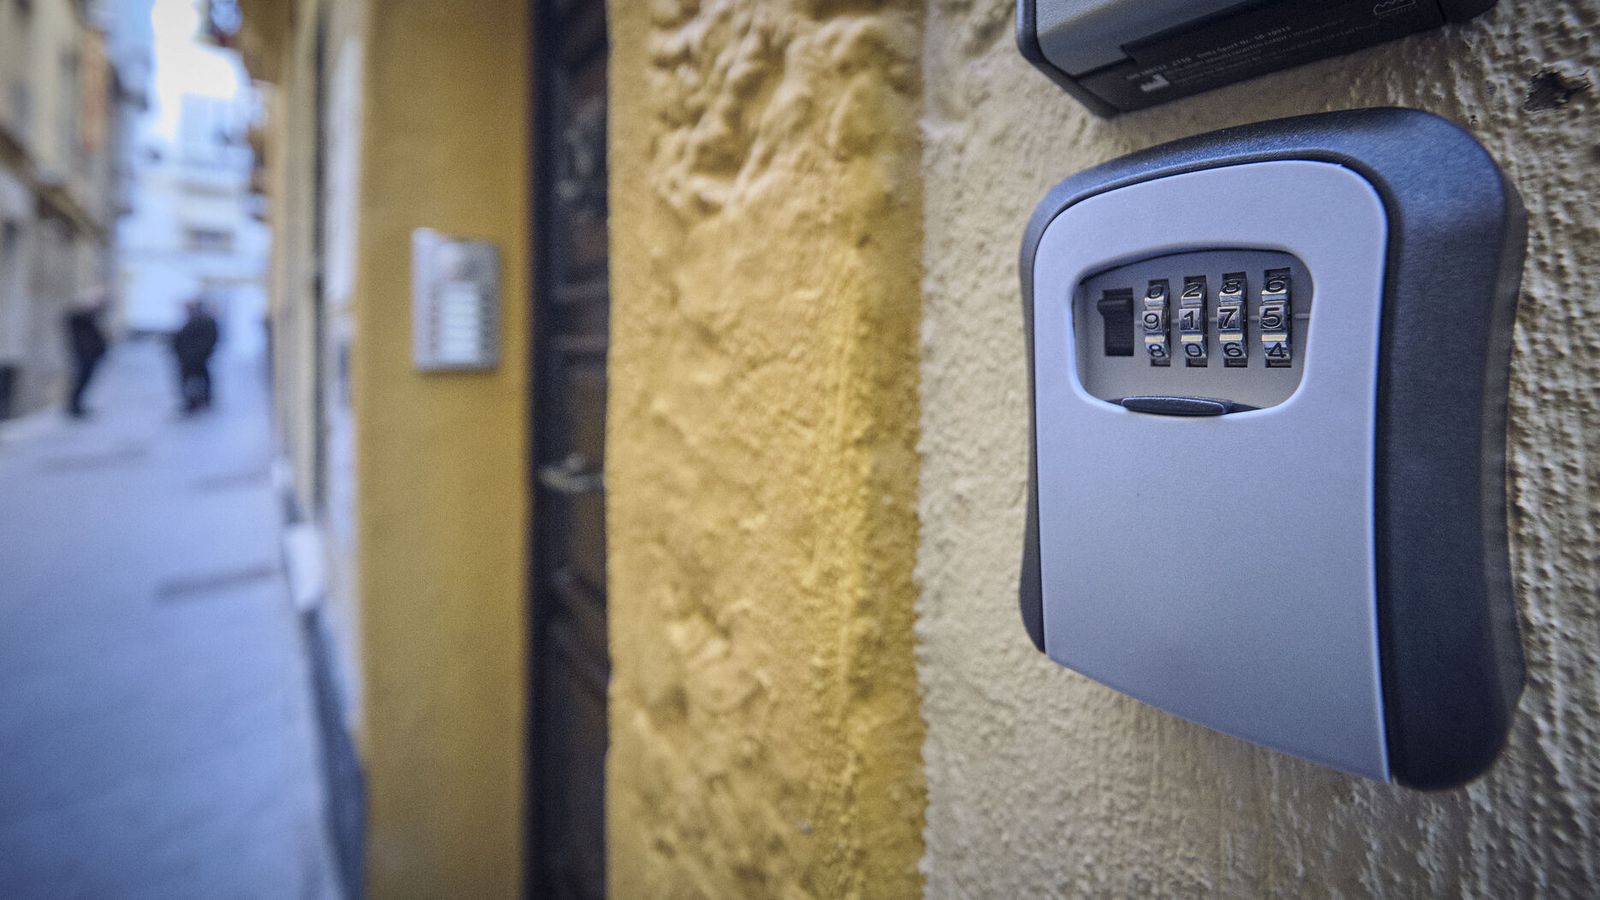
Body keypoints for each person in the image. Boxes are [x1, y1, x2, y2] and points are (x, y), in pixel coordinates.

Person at [63, 292, 109, 419]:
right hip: (84, 354)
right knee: (80, 380)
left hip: (91, 354)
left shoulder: (89, 318)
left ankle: (78, 405)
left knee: (85, 381)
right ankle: (74, 406)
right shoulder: (78, 318)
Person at [172, 300, 220, 414]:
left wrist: (197, 354)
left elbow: (207, 340)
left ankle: (197, 401)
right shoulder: (194, 321)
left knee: (196, 379)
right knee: (193, 379)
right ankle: (194, 401)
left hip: (196, 358)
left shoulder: (203, 321)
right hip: (191, 358)